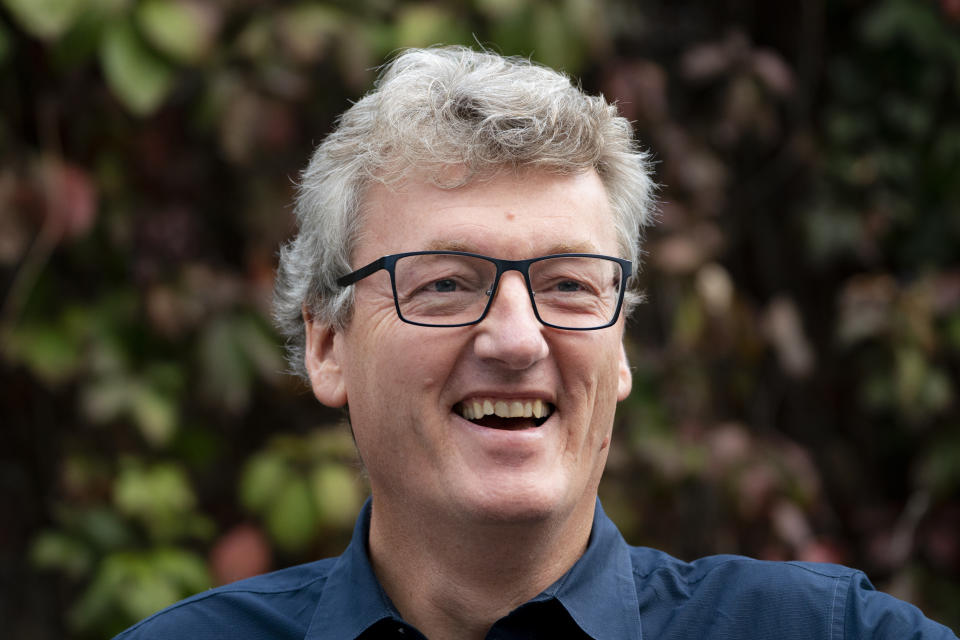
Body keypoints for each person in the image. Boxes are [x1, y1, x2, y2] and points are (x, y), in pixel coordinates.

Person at [115, 46, 957, 640]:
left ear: (620, 346)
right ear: (328, 344)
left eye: (568, 285)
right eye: (444, 283)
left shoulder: (826, 633)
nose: (517, 340)